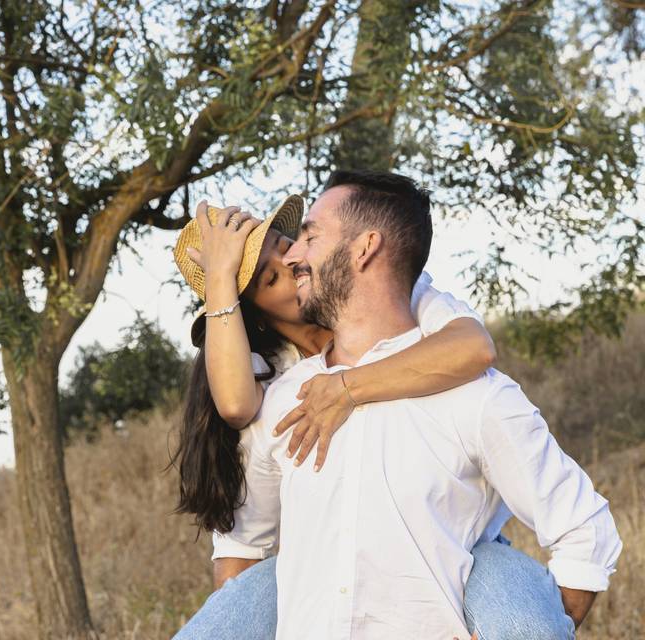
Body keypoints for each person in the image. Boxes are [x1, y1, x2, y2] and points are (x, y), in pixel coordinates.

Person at [173, 170, 621, 639]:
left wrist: (349, 385)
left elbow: (473, 346)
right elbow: (242, 520)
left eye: (301, 240)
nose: (295, 258)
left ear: (365, 247)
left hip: (465, 558)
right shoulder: (279, 391)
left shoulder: (454, 362)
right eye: (270, 276)